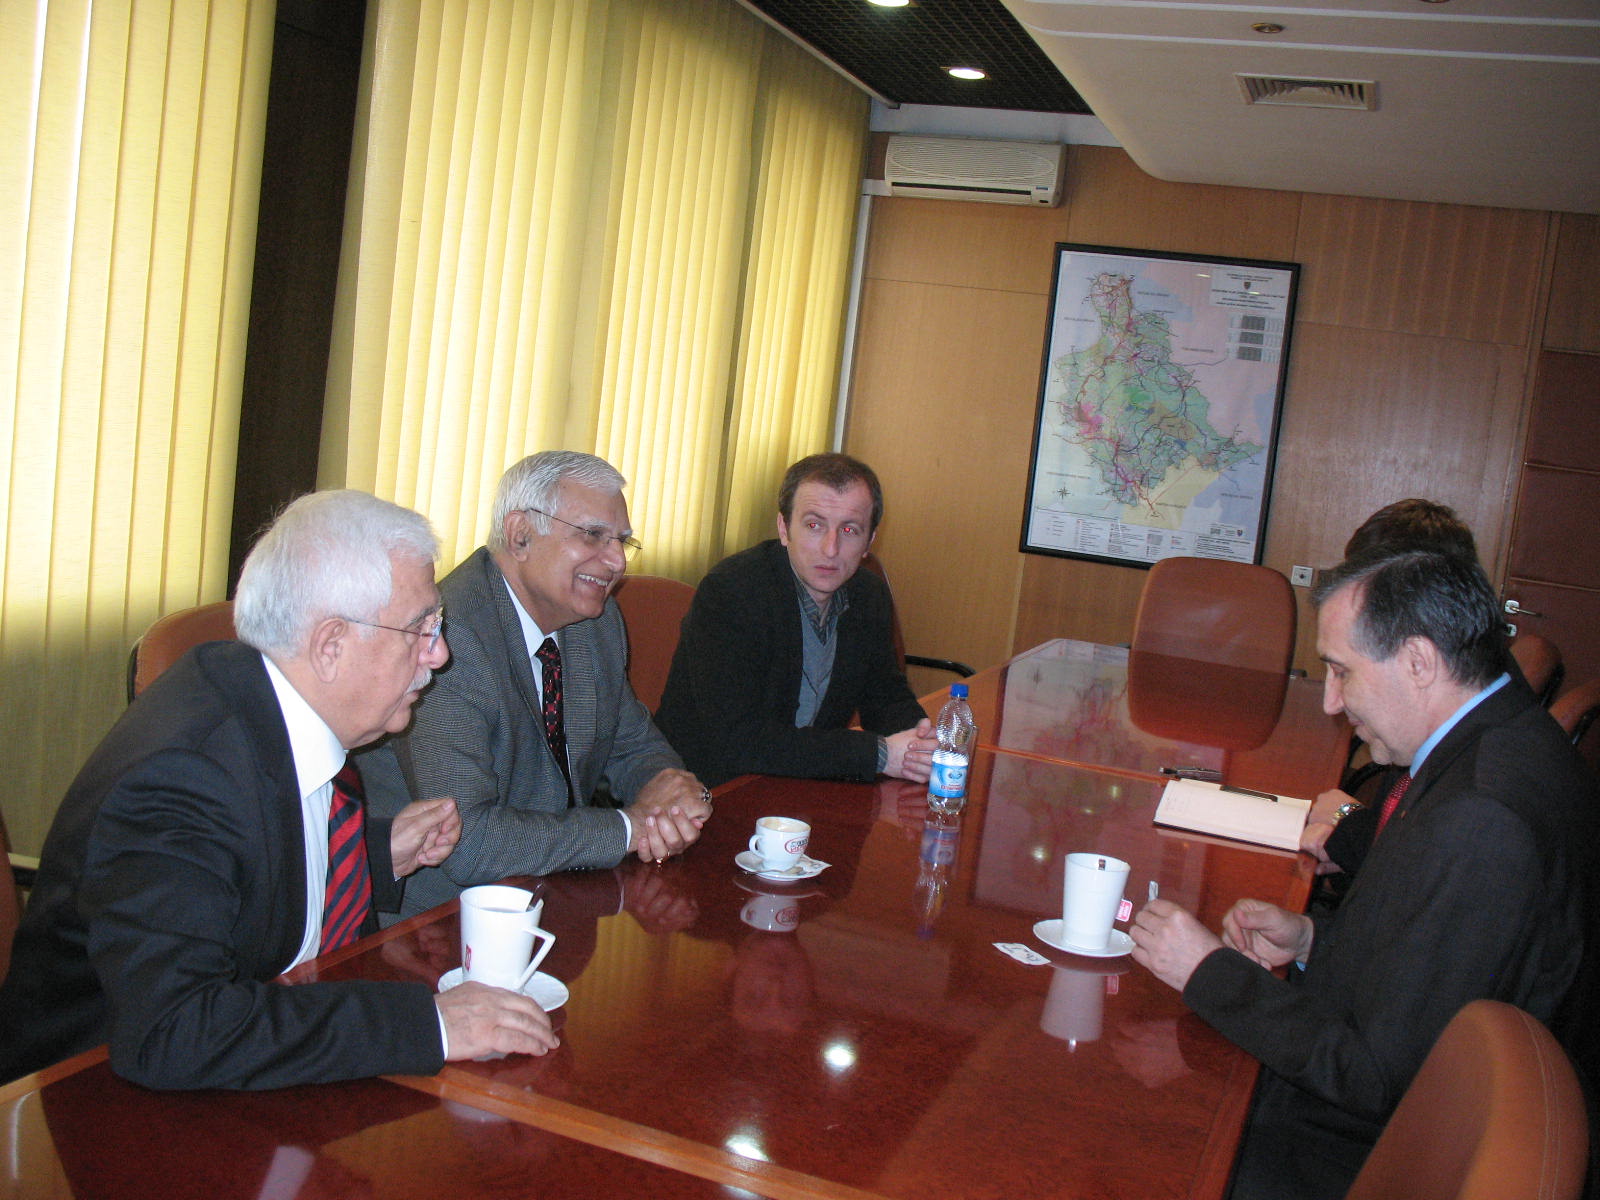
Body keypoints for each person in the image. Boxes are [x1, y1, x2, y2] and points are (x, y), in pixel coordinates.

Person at [0, 490, 560, 1089]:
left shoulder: (279, 701)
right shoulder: (180, 779)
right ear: (330, 646)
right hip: (83, 1098)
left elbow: (237, 864)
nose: (439, 654)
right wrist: (432, 1025)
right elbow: (174, 1031)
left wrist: (372, 854)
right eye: (421, 628)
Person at [1130, 548, 1593, 1200]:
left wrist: (1208, 971)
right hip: (1416, 1102)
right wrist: (1313, 941)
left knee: (1131, 1118)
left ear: (1419, 662)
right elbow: (1434, 964)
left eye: (1342, 671)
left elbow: (1372, 1076)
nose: (1330, 701)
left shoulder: (1481, 818)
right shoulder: (1494, 739)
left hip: (1372, 1155)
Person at [388, 451, 710, 918]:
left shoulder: (595, 621)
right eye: (593, 535)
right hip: (445, 920)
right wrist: (629, 829)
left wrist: (671, 795)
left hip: (561, 896)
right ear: (520, 535)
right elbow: (469, 839)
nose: (616, 561)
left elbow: (632, 743)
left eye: (622, 541)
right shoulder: (449, 639)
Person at [655, 453, 934, 788]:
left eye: (849, 529)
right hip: (708, 789)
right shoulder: (732, 592)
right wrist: (879, 754)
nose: (831, 549)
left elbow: (885, 696)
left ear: (869, 542)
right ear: (784, 528)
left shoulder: (867, 595)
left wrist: (922, 742)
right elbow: (737, 739)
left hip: (803, 784)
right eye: (814, 525)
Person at [1299, 500, 1479, 876]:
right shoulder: (1468, 675)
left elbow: (1417, 853)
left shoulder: (1479, 798)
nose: (1332, 703)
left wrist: (1346, 817)